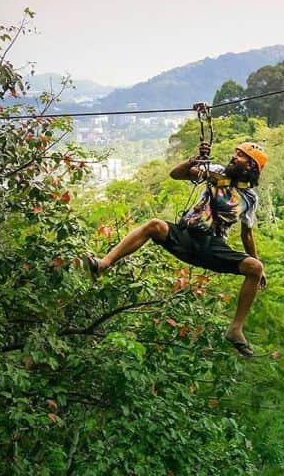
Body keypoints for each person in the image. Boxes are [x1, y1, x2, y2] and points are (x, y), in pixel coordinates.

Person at [85, 141, 268, 357]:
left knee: (254, 267)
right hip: (186, 235)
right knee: (154, 225)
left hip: (212, 246)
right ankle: (104, 264)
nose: (234, 157)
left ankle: (236, 329)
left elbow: (246, 234)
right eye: (235, 153)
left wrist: (259, 268)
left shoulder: (249, 198)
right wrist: (195, 160)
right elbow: (176, 174)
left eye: (241, 155)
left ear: (251, 166)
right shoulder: (216, 172)